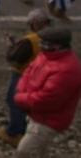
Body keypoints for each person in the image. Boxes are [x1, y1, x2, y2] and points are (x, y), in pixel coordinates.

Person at [14, 27, 81, 157]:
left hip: (48, 120)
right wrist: (20, 90)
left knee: (24, 151)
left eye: (46, 43)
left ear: (59, 46)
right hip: (36, 113)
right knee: (39, 151)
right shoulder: (47, 55)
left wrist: (20, 98)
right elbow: (29, 71)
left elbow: (47, 100)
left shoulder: (67, 70)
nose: (41, 46)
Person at [0, 9, 51, 147]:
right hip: (40, 75)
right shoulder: (51, 37)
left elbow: (14, 59)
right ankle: (25, 128)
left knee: (14, 100)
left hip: (23, 75)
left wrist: (11, 47)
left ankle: (14, 132)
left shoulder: (31, 40)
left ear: (35, 23)